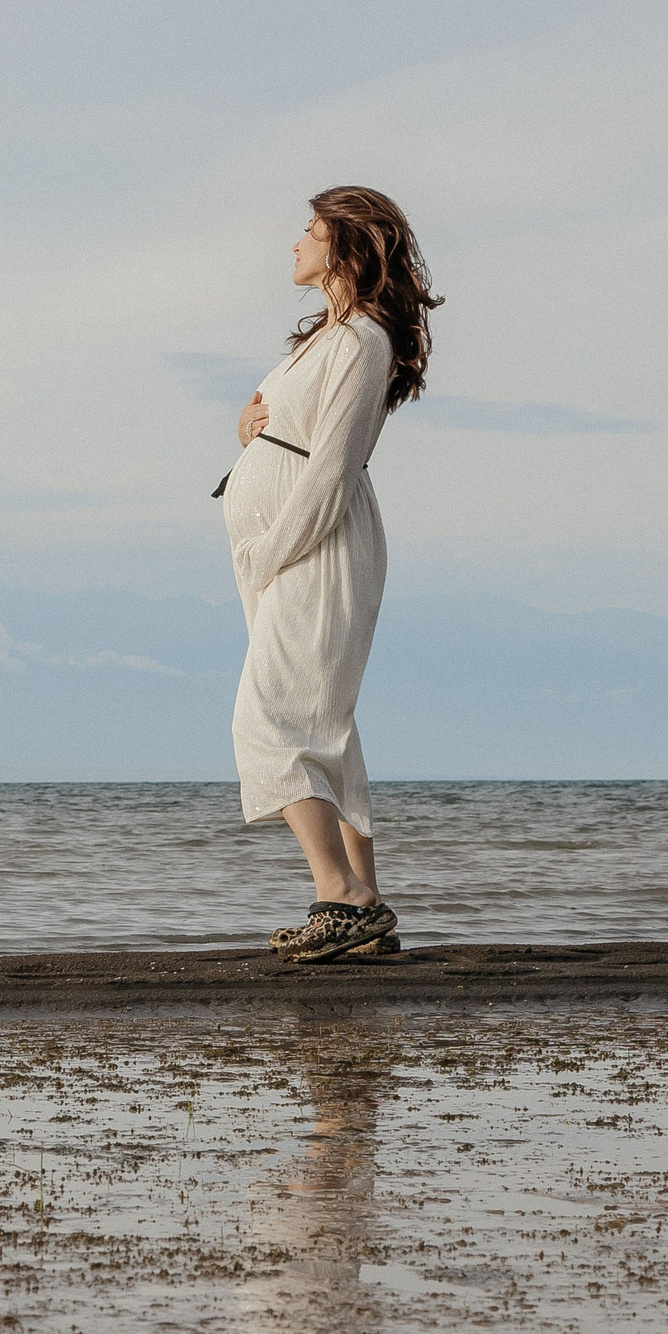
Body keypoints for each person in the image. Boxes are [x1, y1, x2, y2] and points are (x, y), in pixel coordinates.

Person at [220, 186, 440, 962]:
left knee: (270, 721)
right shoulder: (328, 339)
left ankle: (339, 895)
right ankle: (367, 903)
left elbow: (333, 473)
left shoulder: (360, 343)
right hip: (289, 549)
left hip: (315, 547)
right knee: (322, 724)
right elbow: (291, 434)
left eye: (309, 232)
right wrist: (245, 432)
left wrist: (275, 548)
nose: (294, 245)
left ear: (346, 249)